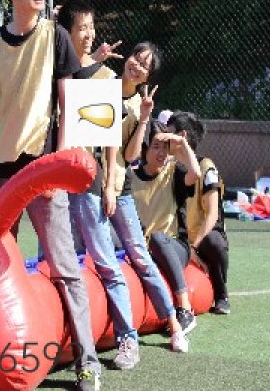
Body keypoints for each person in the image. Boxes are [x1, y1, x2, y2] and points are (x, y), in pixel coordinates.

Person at [0, 0, 100, 391]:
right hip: (1, 174)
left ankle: (87, 361)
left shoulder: (55, 36)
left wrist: (57, 167)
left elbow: (68, 102)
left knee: (64, 267)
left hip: (42, 170)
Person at [56, 0, 140, 370]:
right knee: (57, 264)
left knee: (106, 262)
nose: (89, 34)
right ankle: (65, 340)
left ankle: (128, 339)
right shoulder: (54, 71)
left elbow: (108, 141)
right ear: (66, 32)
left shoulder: (103, 76)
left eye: (91, 27)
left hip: (87, 185)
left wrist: (108, 187)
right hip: (53, 187)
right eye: (82, 28)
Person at [106, 43, 190, 352]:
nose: (137, 66)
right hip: (88, 186)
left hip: (118, 186)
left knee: (140, 256)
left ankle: (175, 323)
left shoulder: (137, 104)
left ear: (148, 77)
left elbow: (130, 156)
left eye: (145, 65)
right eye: (136, 58)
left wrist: (143, 119)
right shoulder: (101, 82)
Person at [130, 119, 201, 333]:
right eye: (156, 147)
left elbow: (196, 174)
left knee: (159, 238)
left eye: (165, 147)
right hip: (143, 249)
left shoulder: (174, 171)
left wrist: (182, 143)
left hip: (174, 246)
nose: (161, 153)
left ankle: (185, 308)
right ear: (144, 149)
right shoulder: (130, 177)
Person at [167, 111, 231, 315]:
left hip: (200, 239)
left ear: (182, 136)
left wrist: (193, 246)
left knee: (214, 241)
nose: (165, 138)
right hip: (177, 238)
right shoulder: (167, 167)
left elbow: (212, 215)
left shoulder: (206, 167)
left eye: (169, 133)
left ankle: (221, 294)